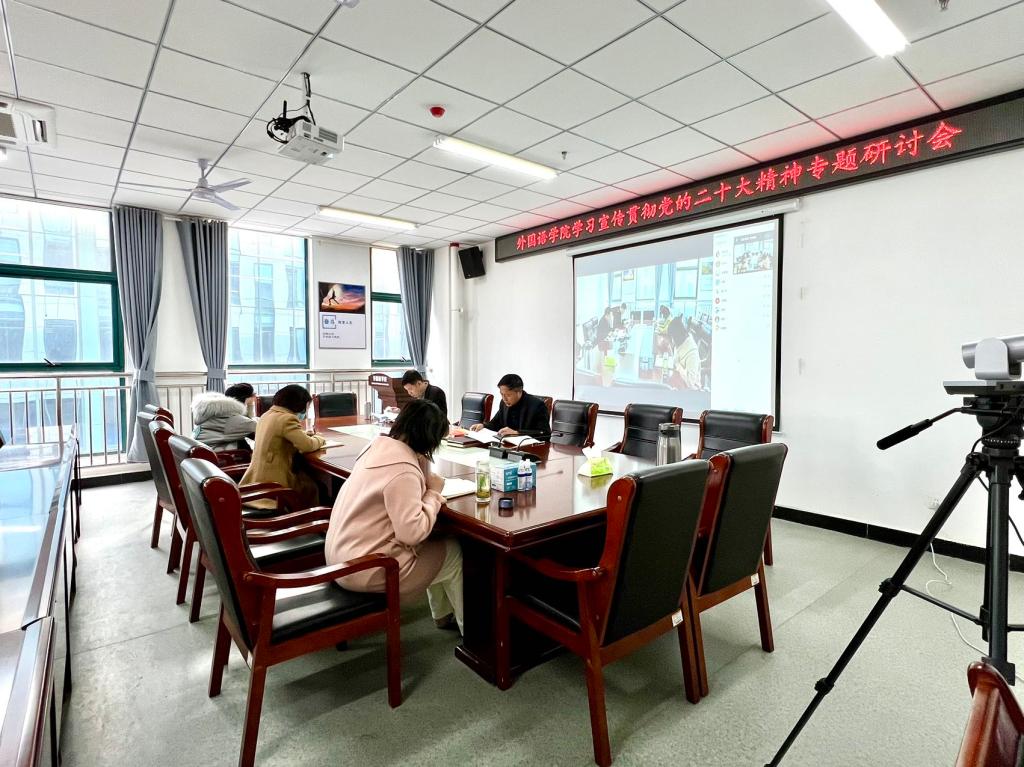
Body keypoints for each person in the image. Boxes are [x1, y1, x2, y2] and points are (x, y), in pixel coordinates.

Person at [325, 399, 463, 633]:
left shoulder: (375, 448)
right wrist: (433, 494)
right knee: (454, 552)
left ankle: (442, 615)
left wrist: (423, 464)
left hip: (341, 557)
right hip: (368, 569)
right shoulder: (403, 470)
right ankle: (472, 635)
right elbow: (413, 533)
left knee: (435, 542)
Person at [239, 384, 326, 509]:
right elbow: (307, 446)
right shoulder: (287, 419)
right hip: (274, 483)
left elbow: (281, 436)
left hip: (257, 478)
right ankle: (311, 517)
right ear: (300, 404)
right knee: (313, 487)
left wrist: (303, 435)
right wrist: (320, 439)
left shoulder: (267, 415)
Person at [470, 373, 551, 440]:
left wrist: (517, 433)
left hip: (529, 449)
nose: (504, 398)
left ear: (519, 392)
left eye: (508, 395)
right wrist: (483, 426)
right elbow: (496, 423)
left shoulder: (537, 405)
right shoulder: (503, 403)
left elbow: (545, 433)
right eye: (502, 394)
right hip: (507, 445)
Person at [190, 383, 257, 451]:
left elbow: (246, 420)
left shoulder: (214, 412)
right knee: (243, 445)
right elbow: (258, 427)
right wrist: (250, 405)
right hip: (214, 454)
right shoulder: (231, 419)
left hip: (202, 451)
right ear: (246, 398)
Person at [668, 318, 702, 390]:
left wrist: (678, 365)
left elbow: (690, 382)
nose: (672, 341)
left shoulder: (692, 353)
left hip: (691, 390)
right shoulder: (681, 342)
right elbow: (675, 361)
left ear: (677, 336)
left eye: (673, 338)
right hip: (679, 382)